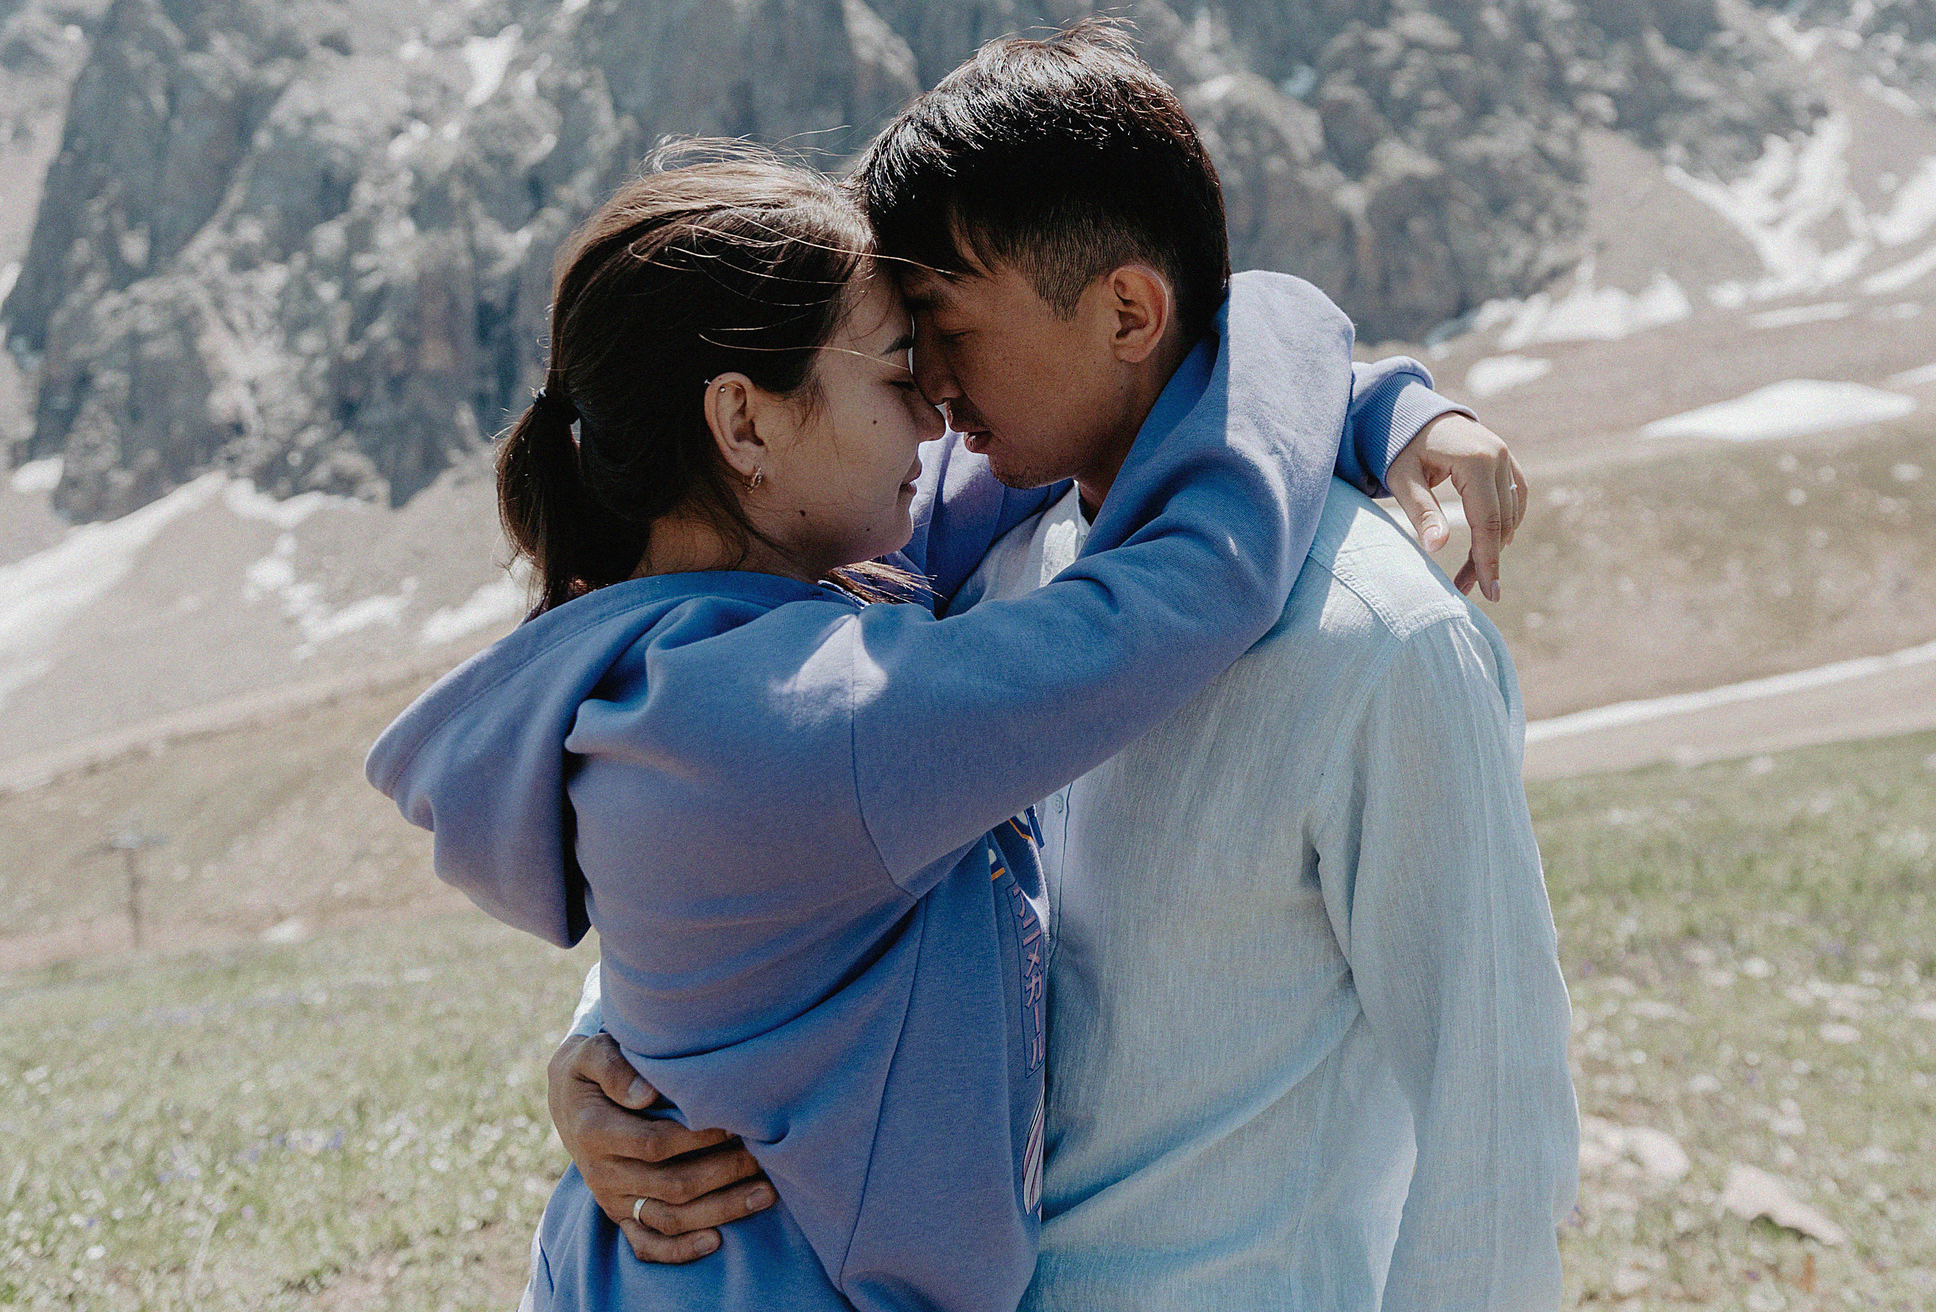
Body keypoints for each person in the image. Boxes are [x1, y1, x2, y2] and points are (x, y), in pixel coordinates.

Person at [367, 137, 1508, 1311]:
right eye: (897, 372)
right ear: (744, 426)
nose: (939, 419)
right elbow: (1188, 586)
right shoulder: (808, 719)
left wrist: (1371, 402)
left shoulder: (674, 654)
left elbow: (1073, 430)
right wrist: (1277, 317)